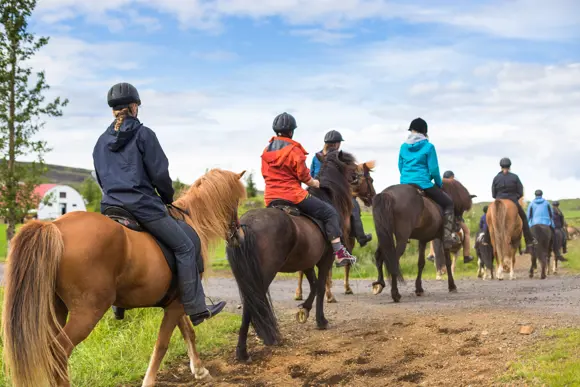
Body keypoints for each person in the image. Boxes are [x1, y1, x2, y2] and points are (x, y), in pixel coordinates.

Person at [93, 82, 226, 326]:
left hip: (110, 208)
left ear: (113, 110)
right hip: (142, 206)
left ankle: (118, 306)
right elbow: (160, 174)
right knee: (186, 245)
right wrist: (166, 198)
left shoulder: (101, 142)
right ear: (135, 107)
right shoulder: (144, 135)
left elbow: (101, 178)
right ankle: (197, 308)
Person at [261, 112, 357, 266]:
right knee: (330, 213)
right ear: (291, 131)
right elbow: (303, 175)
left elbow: (265, 174)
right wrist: (314, 183)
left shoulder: (266, 151)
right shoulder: (294, 149)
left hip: (271, 197)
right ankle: (339, 253)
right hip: (293, 196)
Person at [398, 118, 458, 248]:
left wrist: (406, 179)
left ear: (412, 130)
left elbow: (400, 166)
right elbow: (434, 169)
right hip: (423, 183)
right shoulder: (429, 147)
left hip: (405, 184)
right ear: (424, 132)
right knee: (448, 203)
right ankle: (447, 237)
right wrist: (438, 183)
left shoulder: (403, 146)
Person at [310, 130, 373, 247]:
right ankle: (361, 237)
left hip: (317, 190)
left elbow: (311, 174)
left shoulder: (316, 156)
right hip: (334, 192)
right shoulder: (338, 157)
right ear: (336, 144)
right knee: (354, 208)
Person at [427, 170, 474, 263]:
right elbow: (462, 201)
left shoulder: (438, 184)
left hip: (440, 216)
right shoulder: (456, 186)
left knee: (432, 233)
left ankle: (432, 254)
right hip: (455, 217)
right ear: (452, 177)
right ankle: (466, 255)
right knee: (467, 232)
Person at [491, 157, 537, 252]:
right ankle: (529, 240)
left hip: (498, 200)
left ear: (501, 166)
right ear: (510, 166)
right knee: (524, 218)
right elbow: (520, 192)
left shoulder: (496, 178)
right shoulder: (515, 177)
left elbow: (493, 194)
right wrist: (515, 197)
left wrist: (499, 197)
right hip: (512, 200)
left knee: (491, 221)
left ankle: (487, 239)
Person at [527, 190, 564, 262]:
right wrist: (552, 223)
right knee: (554, 235)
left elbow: (528, 215)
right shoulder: (547, 203)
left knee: (527, 235)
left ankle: (527, 248)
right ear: (542, 195)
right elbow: (551, 214)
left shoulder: (531, 204)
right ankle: (556, 250)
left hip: (534, 223)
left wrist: (528, 224)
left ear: (535, 195)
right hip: (546, 223)